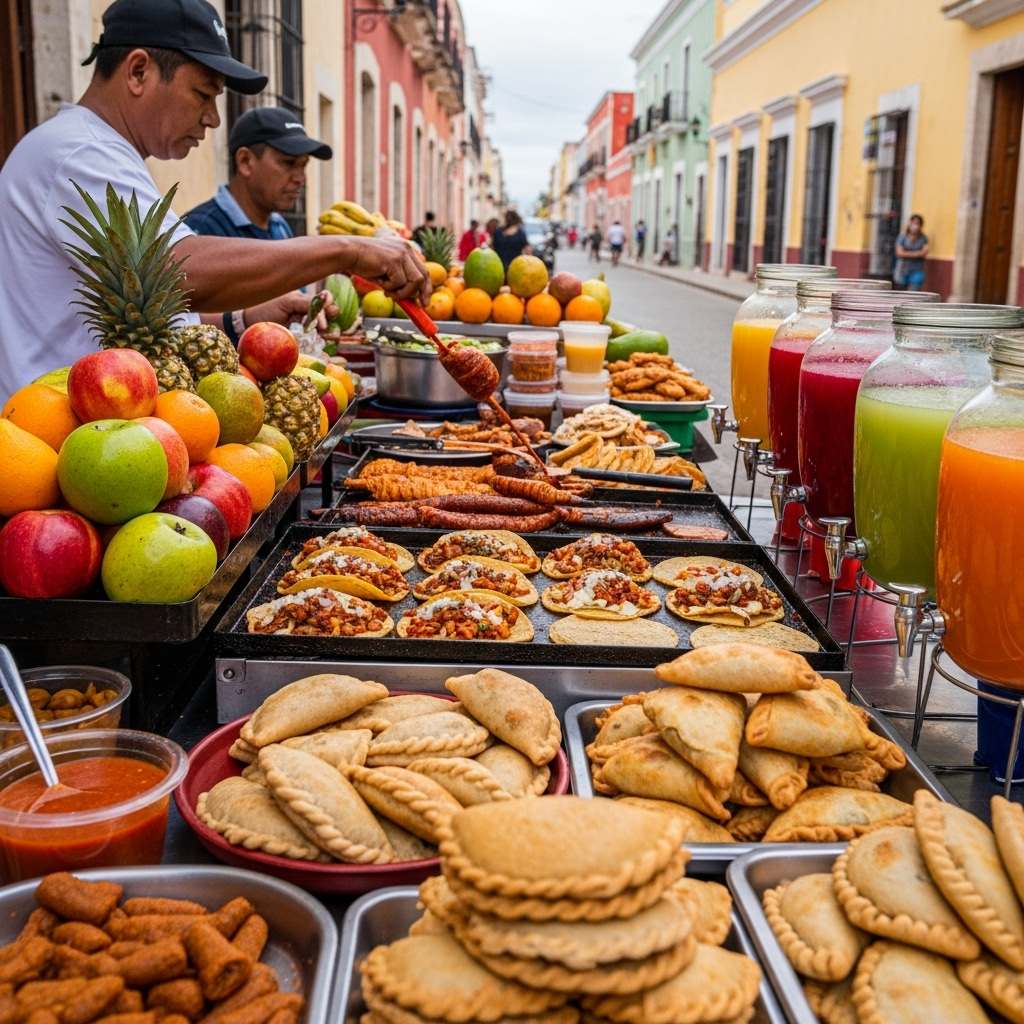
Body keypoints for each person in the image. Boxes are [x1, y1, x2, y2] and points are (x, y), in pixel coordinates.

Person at [0, 0, 429, 404]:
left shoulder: (95, 150)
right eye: (204, 94)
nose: (213, 118)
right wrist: (347, 250)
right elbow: (174, 270)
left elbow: (135, 310)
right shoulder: (80, 152)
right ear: (137, 72)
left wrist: (240, 318)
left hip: (97, 433)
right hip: (62, 448)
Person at [184, 107, 331, 239]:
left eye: (303, 165)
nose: (301, 179)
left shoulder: (279, 226)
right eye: (288, 163)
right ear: (245, 161)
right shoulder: (198, 232)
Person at [894, 214, 929, 290]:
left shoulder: (923, 238)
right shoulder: (903, 237)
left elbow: (925, 251)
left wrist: (906, 253)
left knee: (916, 290)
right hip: (903, 269)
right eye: (913, 222)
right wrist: (916, 254)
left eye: (917, 223)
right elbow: (899, 252)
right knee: (902, 291)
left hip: (917, 270)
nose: (915, 225)